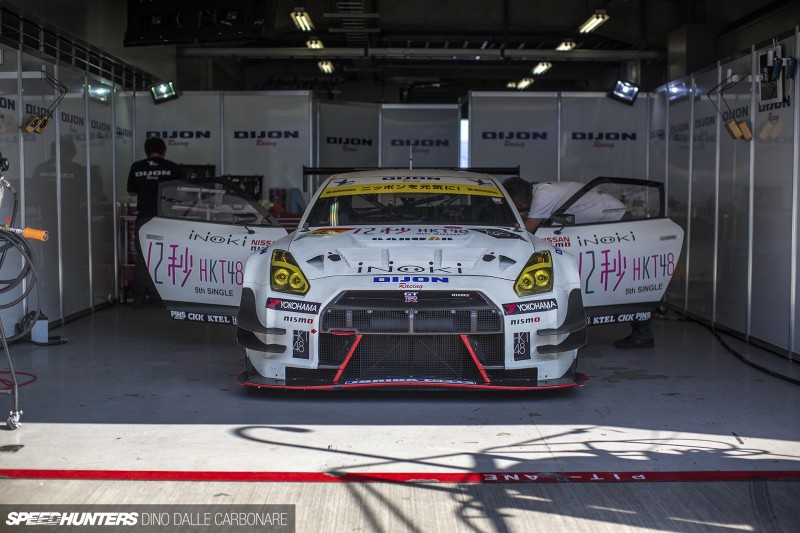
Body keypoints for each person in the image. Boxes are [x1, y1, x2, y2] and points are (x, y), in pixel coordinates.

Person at [503, 176, 653, 349]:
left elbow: (527, 232)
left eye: (515, 206)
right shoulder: (540, 191)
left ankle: (644, 333)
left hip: (618, 222)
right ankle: (643, 332)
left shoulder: (542, 197)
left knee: (625, 277)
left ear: (520, 204)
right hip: (607, 224)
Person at [126, 137, 183, 308]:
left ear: (146, 151)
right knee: (167, 257)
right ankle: (166, 296)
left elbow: (131, 192)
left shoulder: (137, 167)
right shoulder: (173, 167)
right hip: (165, 219)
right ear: (164, 151)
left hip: (144, 218)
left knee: (143, 258)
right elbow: (180, 193)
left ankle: (138, 297)